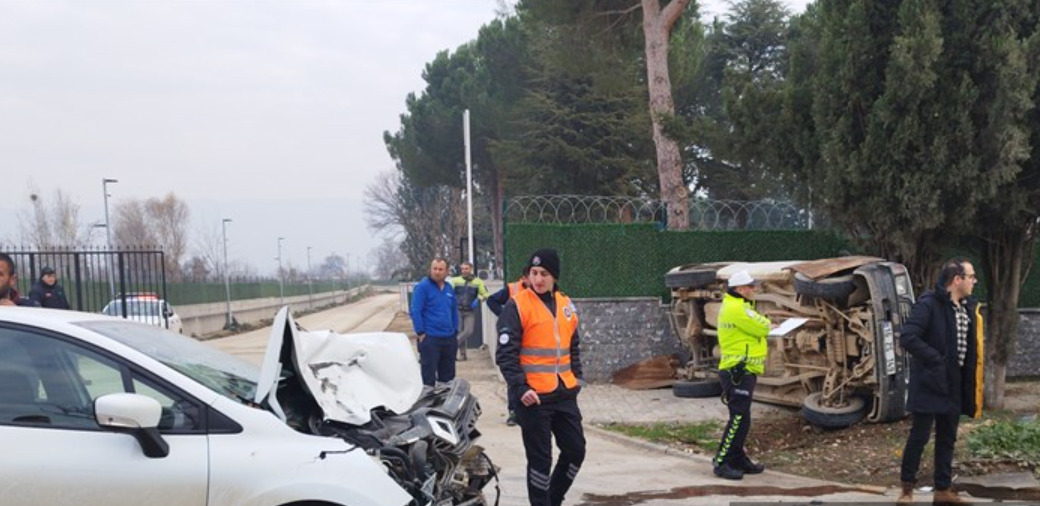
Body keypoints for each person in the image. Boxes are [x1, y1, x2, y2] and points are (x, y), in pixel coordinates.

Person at [496, 249, 585, 506]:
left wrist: (577, 378)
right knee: (540, 461)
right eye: (534, 273)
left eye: (544, 274)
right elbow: (505, 354)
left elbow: (573, 345)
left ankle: (553, 499)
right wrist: (520, 388)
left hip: (564, 393)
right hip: (532, 397)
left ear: (554, 277)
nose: (538, 279)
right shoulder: (517, 305)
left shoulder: (566, 304)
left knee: (575, 451)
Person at [897, 258, 983, 505]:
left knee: (948, 437)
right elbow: (908, 337)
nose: (974, 281)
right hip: (930, 382)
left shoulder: (967, 308)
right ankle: (906, 490)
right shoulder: (929, 304)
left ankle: (943, 491)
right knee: (919, 436)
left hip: (954, 383)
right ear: (957, 280)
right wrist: (936, 361)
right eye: (971, 276)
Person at [712, 270, 771, 480]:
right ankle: (721, 462)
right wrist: (765, 322)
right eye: (750, 286)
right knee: (737, 418)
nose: (754, 289)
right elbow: (764, 327)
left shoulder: (741, 306)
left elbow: (760, 324)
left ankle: (737, 458)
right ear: (739, 289)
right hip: (738, 371)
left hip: (745, 369)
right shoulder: (736, 309)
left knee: (743, 419)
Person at [488, 268, 529, 426]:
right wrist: (504, 314)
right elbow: (492, 301)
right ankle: (513, 411)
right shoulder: (512, 288)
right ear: (524, 278)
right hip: (512, 335)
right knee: (514, 373)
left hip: (528, 336)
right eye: (531, 276)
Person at [410, 258, 460, 387]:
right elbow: (416, 310)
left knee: (448, 378)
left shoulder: (449, 288)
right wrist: (420, 332)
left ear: (447, 271)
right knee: (428, 376)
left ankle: (444, 404)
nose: (437, 272)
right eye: (435, 269)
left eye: (440, 269)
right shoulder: (423, 287)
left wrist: (455, 330)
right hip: (430, 338)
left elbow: (454, 310)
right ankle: (429, 403)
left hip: (448, 338)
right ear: (430, 270)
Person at [450, 261, 489, 361]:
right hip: (457, 310)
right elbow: (449, 293)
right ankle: (462, 355)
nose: (464, 271)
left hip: (470, 311)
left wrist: (479, 298)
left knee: (468, 331)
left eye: (466, 269)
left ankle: (451, 346)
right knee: (458, 331)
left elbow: (486, 294)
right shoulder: (455, 281)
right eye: (462, 269)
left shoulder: (478, 282)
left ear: (470, 269)